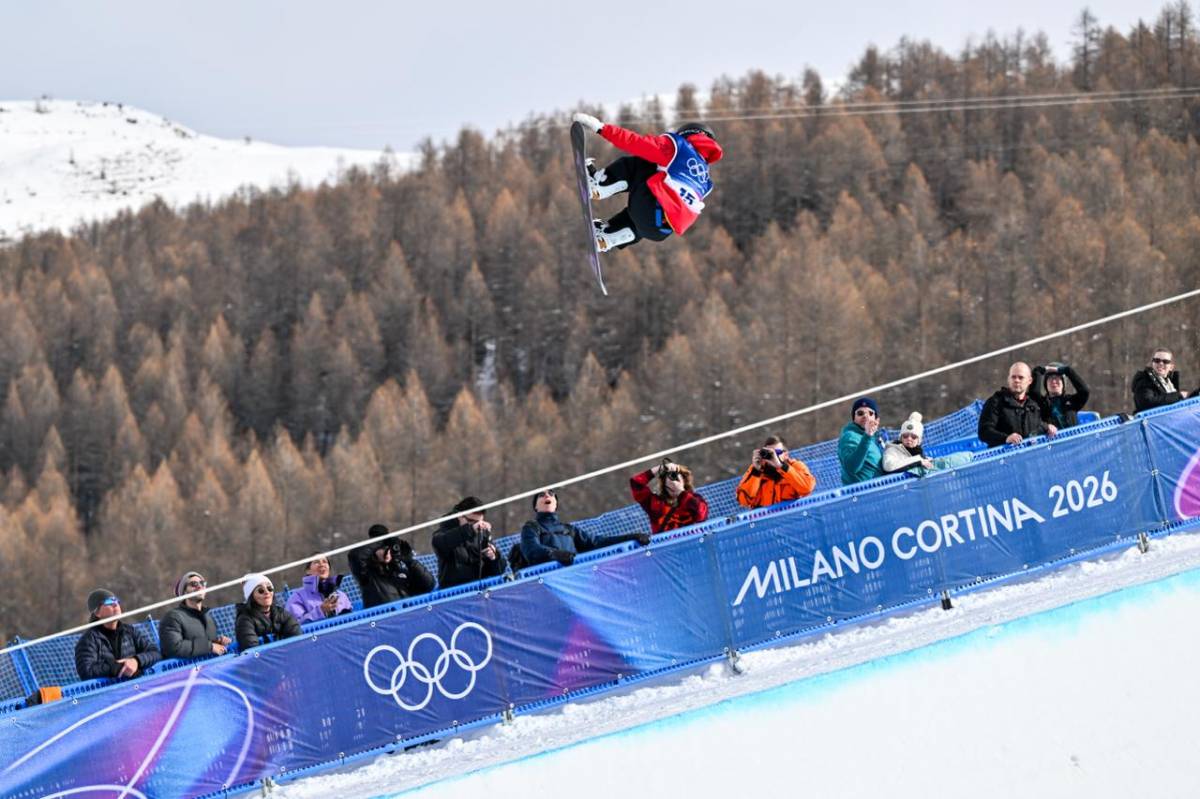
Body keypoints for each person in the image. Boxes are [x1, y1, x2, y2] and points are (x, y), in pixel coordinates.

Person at [571, 113, 724, 252]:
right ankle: (609, 235)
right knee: (656, 202)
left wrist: (602, 128)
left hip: (648, 209)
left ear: (685, 134)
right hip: (659, 230)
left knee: (644, 163)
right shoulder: (706, 181)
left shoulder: (678, 147)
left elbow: (637, 143)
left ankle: (600, 184)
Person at [519, 490, 651, 567]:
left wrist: (631, 537)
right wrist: (554, 554)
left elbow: (597, 542)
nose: (547, 496)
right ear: (535, 507)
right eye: (541, 495)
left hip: (575, 577)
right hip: (550, 582)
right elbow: (532, 550)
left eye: (551, 493)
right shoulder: (531, 527)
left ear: (556, 504)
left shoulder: (569, 530)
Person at [74, 589, 161, 680]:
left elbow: (155, 652)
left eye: (116, 601)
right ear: (97, 613)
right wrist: (117, 667)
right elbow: (86, 671)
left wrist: (136, 661)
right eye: (109, 602)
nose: (115, 604)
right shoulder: (89, 640)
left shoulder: (130, 631)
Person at [348, 524, 436, 608]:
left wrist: (410, 561)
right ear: (374, 551)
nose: (387, 552)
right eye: (382, 549)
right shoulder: (368, 574)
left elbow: (428, 585)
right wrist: (381, 541)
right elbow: (354, 555)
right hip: (385, 621)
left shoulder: (400, 571)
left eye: (388, 548)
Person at [432, 496, 508, 589]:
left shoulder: (482, 533)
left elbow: (499, 570)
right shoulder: (444, 532)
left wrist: (494, 557)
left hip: (479, 592)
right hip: (453, 593)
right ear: (460, 516)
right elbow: (440, 543)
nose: (476, 525)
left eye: (480, 522)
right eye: (471, 521)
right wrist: (470, 530)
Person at [978, 362, 1058, 447]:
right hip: (1003, 457)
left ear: (1029, 381)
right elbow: (984, 431)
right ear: (1008, 379)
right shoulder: (995, 402)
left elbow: (1037, 425)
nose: (1016, 380)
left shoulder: (1033, 405)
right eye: (1013, 377)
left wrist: (1047, 427)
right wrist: (1005, 438)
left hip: (1029, 456)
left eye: (1021, 377)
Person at [160, 571, 232, 659]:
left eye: (202, 583)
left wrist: (218, 643)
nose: (199, 586)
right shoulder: (173, 617)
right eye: (194, 584)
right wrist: (210, 646)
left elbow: (206, 645)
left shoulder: (208, 617)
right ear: (184, 592)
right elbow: (174, 648)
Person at [735, 435, 817, 508]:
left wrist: (781, 466)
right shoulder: (756, 470)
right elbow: (743, 501)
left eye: (777, 452)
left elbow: (807, 488)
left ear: (786, 454)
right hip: (765, 521)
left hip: (792, 519)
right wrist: (756, 472)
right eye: (770, 453)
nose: (774, 456)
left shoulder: (796, 466)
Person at [882, 413, 974, 476]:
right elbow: (889, 466)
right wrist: (918, 461)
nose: (909, 439)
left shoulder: (918, 453)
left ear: (919, 440)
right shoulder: (892, 450)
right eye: (905, 436)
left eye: (913, 436)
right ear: (900, 438)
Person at [630, 461, 709, 533]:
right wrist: (659, 468)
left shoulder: (695, 499)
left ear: (684, 481)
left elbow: (701, 514)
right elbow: (636, 483)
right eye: (669, 477)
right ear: (664, 484)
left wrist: (681, 492)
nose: (673, 481)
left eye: (676, 476)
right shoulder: (656, 504)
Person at [235, 574, 301, 651]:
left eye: (269, 588)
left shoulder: (281, 613)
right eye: (261, 590)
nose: (267, 592)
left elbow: (297, 637)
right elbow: (252, 650)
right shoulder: (244, 620)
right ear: (251, 596)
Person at [284, 556, 353, 623]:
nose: (322, 565)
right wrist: (321, 611)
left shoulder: (341, 595)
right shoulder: (297, 597)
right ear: (308, 570)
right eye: (316, 562)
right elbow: (296, 626)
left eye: (325, 562)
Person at [839, 397, 886, 485]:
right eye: (860, 413)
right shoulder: (850, 437)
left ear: (877, 420)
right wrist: (867, 435)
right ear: (854, 418)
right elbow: (852, 467)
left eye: (870, 413)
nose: (865, 416)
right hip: (861, 494)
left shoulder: (875, 439)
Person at [1031, 362, 1090, 429]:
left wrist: (1067, 370)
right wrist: (1040, 370)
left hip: (1073, 438)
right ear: (1046, 385)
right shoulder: (1041, 403)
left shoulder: (1071, 401)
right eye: (1050, 378)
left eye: (1057, 378)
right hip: (1053, 439)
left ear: (1063, 384)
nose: (1054, 381)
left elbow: (1084, 391)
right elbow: (1033, 393)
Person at [1131, 349, 1189, 413]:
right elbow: (1146, 402)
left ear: (1171, 367)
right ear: (1152, 363)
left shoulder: (1170, 383)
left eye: (1165, 361)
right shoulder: (1144, 379)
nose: (1161, 363)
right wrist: (1177, 396)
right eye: (1157, 360)